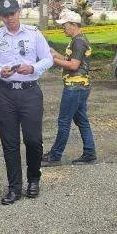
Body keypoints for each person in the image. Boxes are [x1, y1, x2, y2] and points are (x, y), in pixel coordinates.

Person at [0, 0, 54, 204]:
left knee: (33, 139)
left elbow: (48, 58)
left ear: (19, 12)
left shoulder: (33, 34)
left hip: (30, 91)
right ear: (0, 17)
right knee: (10, 143)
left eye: (12, 13)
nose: (9, 18)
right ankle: (14, 187)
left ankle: (33, 179)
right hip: (5, 93)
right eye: (5, 15)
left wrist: (33, 68)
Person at [42, 9, 97, 165]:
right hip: (80, 86)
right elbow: (69, 58)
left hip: (75, 86)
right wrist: (54, 53)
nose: (62, 28)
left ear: (73, 24)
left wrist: (53, 60)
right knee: (82, 120)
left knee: (64, 121)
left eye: (64, 25)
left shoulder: (78, 41)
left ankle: (55, 156)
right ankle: (90, 152)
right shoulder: (77, 39)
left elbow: (73, 65)